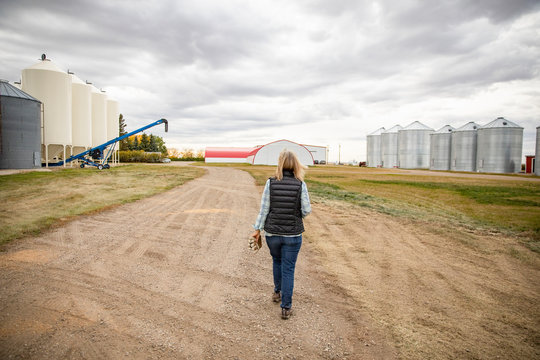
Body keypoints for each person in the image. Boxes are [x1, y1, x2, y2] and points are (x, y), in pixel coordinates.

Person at [251, 149, 311, 319]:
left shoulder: (271, 183)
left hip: (272, 234)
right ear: (295, 165)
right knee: (288, 268)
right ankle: (286, 307)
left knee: (277, 261)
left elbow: (264, 209)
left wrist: (257, 229)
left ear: (280, 163)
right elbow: (306, 210)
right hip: (293, 235)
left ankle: (277, 292)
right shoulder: (300, 184)